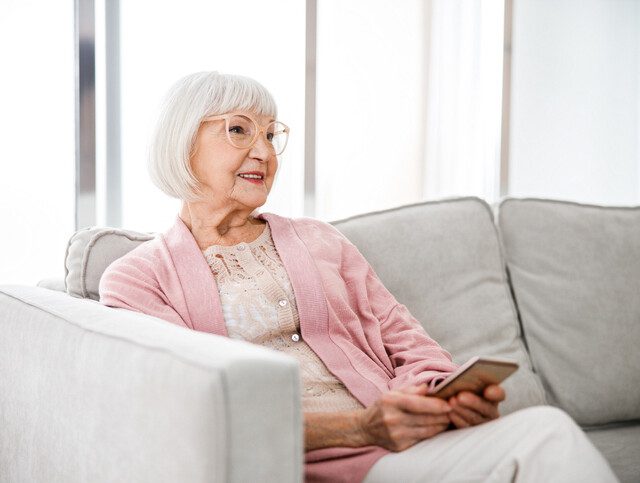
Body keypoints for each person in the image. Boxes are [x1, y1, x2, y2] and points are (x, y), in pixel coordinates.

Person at [98, 71, 618, 483]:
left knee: (541, 433)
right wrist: (363, 426)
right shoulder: (137, 281)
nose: (264, 151)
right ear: (181, 141)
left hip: (402, 445)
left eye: (271, 133)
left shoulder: (320, 240)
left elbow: (410, 343)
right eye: (239, 129)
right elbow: (192, 414)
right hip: (308, 462)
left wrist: (435, 399)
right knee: (545, 437)